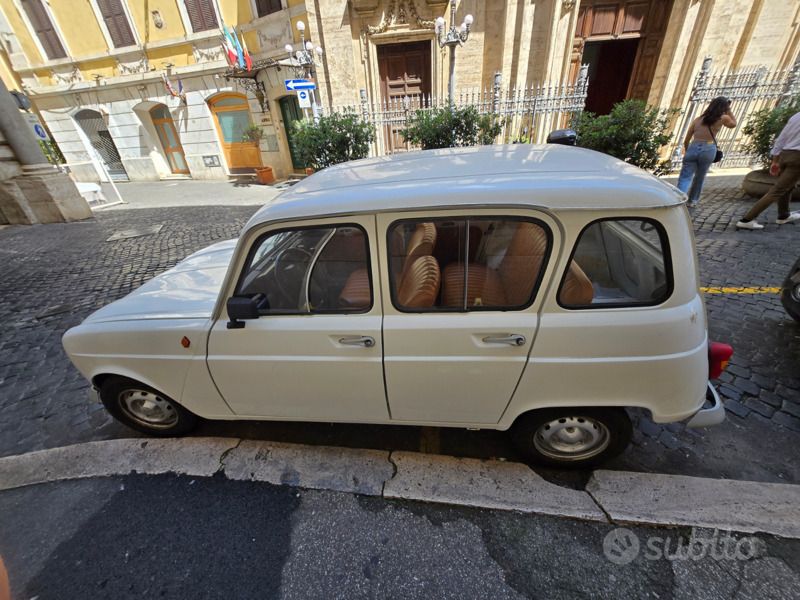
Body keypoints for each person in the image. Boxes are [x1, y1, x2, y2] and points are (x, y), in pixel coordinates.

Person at [736, 111, 800, 230]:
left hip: (785, 154)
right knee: (777, 190)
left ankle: (783, 215)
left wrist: (775, 159)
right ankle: (747, 219)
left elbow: (781, 138)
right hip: (797, 159)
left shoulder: (796, 116)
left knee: (789, 186)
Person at [676, 96, 737, 207]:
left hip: (693, 147)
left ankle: (678, 201)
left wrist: (688, 149)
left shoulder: (698, 119)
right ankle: (692, 201)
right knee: (700, 176)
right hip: (708, 148)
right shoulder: (723, 118)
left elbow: (687, 139)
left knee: (685, 176)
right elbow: (733, 124)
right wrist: (729, 110)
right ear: (724, 107)